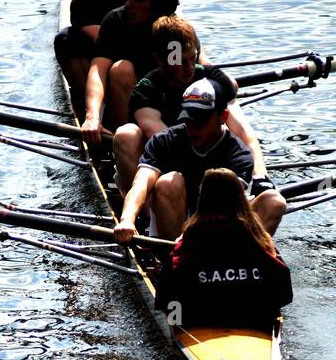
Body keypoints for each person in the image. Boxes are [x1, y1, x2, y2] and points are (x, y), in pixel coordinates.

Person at [114, 75, 287, 244]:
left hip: (218, 225)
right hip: (173, 229)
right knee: (168, 182)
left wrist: (193, 234)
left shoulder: (238, 154)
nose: (192, 127)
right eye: (188, 119)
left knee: (274, 201)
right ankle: (171, 260)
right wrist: (127, 219)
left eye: (200, 120)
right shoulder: (164, 140)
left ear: (223, 117)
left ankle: (240, 263)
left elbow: (224, 209)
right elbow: (140, 184)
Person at [113, 16, 271, 194]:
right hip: (164, 163)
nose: (189, 68)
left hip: (205, 151)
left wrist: (261, 178)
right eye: (180, 61)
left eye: (192, 59)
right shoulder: (146, 90)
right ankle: (145, 214)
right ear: (159, 59)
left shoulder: (215, 80)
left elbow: (242, 130)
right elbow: (161, 136)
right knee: (126, 135)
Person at [153, 168, 293, 330]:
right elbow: (284, 293)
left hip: (200, 319)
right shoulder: (259, 239)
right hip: (252, 318)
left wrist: (175, 321)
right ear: (241, 199)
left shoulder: (190, 239)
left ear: (202, 200)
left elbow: (165, 296)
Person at [80, 0, 184, 145]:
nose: (128, 4)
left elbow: (178, 78)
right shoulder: (116, 22)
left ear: (159, 6)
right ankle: (124, 145)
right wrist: (92, 115)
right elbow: (98, 70)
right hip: (125, 106)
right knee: (122, 69)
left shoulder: (173, 33)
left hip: (161, 105)